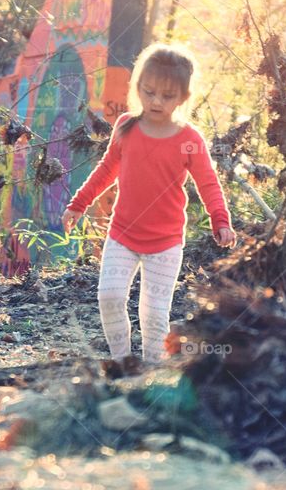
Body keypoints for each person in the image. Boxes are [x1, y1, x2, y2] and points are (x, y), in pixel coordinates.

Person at [61, 43, 237, 365]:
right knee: (110, 297)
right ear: (138, 87)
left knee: (155, 314)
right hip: (122, 234)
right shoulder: (126, 127)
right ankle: (122, 363)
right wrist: (79, 203)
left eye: (167, 96)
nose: (156, 101)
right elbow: (106, 170)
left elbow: (208, 182)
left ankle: (151, 371)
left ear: (183, 98)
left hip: (165, 242)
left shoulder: (189, 139)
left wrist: (220, 219)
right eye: (149, 91)